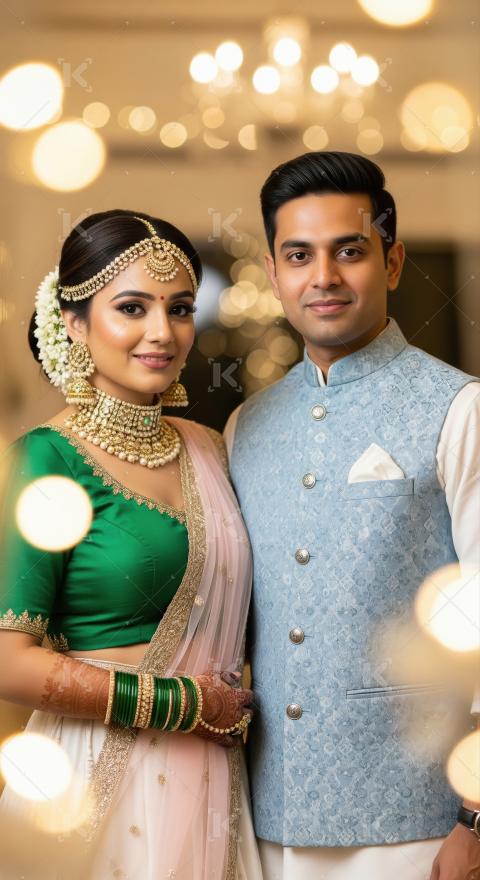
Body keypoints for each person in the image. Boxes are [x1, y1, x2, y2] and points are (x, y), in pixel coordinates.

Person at [224, 151, 480, 880]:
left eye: (350, 251)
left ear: (391, 262)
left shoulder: (460, 409)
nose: (324, 277)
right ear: (273, 273)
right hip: (269, 821)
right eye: (298, 256)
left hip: (421, 823)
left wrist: (476, 817)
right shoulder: (245, 427)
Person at [0, 210, 263, 880]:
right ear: (74, 322)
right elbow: (8, 663)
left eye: (180, 309)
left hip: (215, 779)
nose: (162, 332)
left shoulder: (212, 449)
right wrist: (183, 704)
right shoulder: (43, 461)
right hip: (92, 780)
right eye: (131, 308)